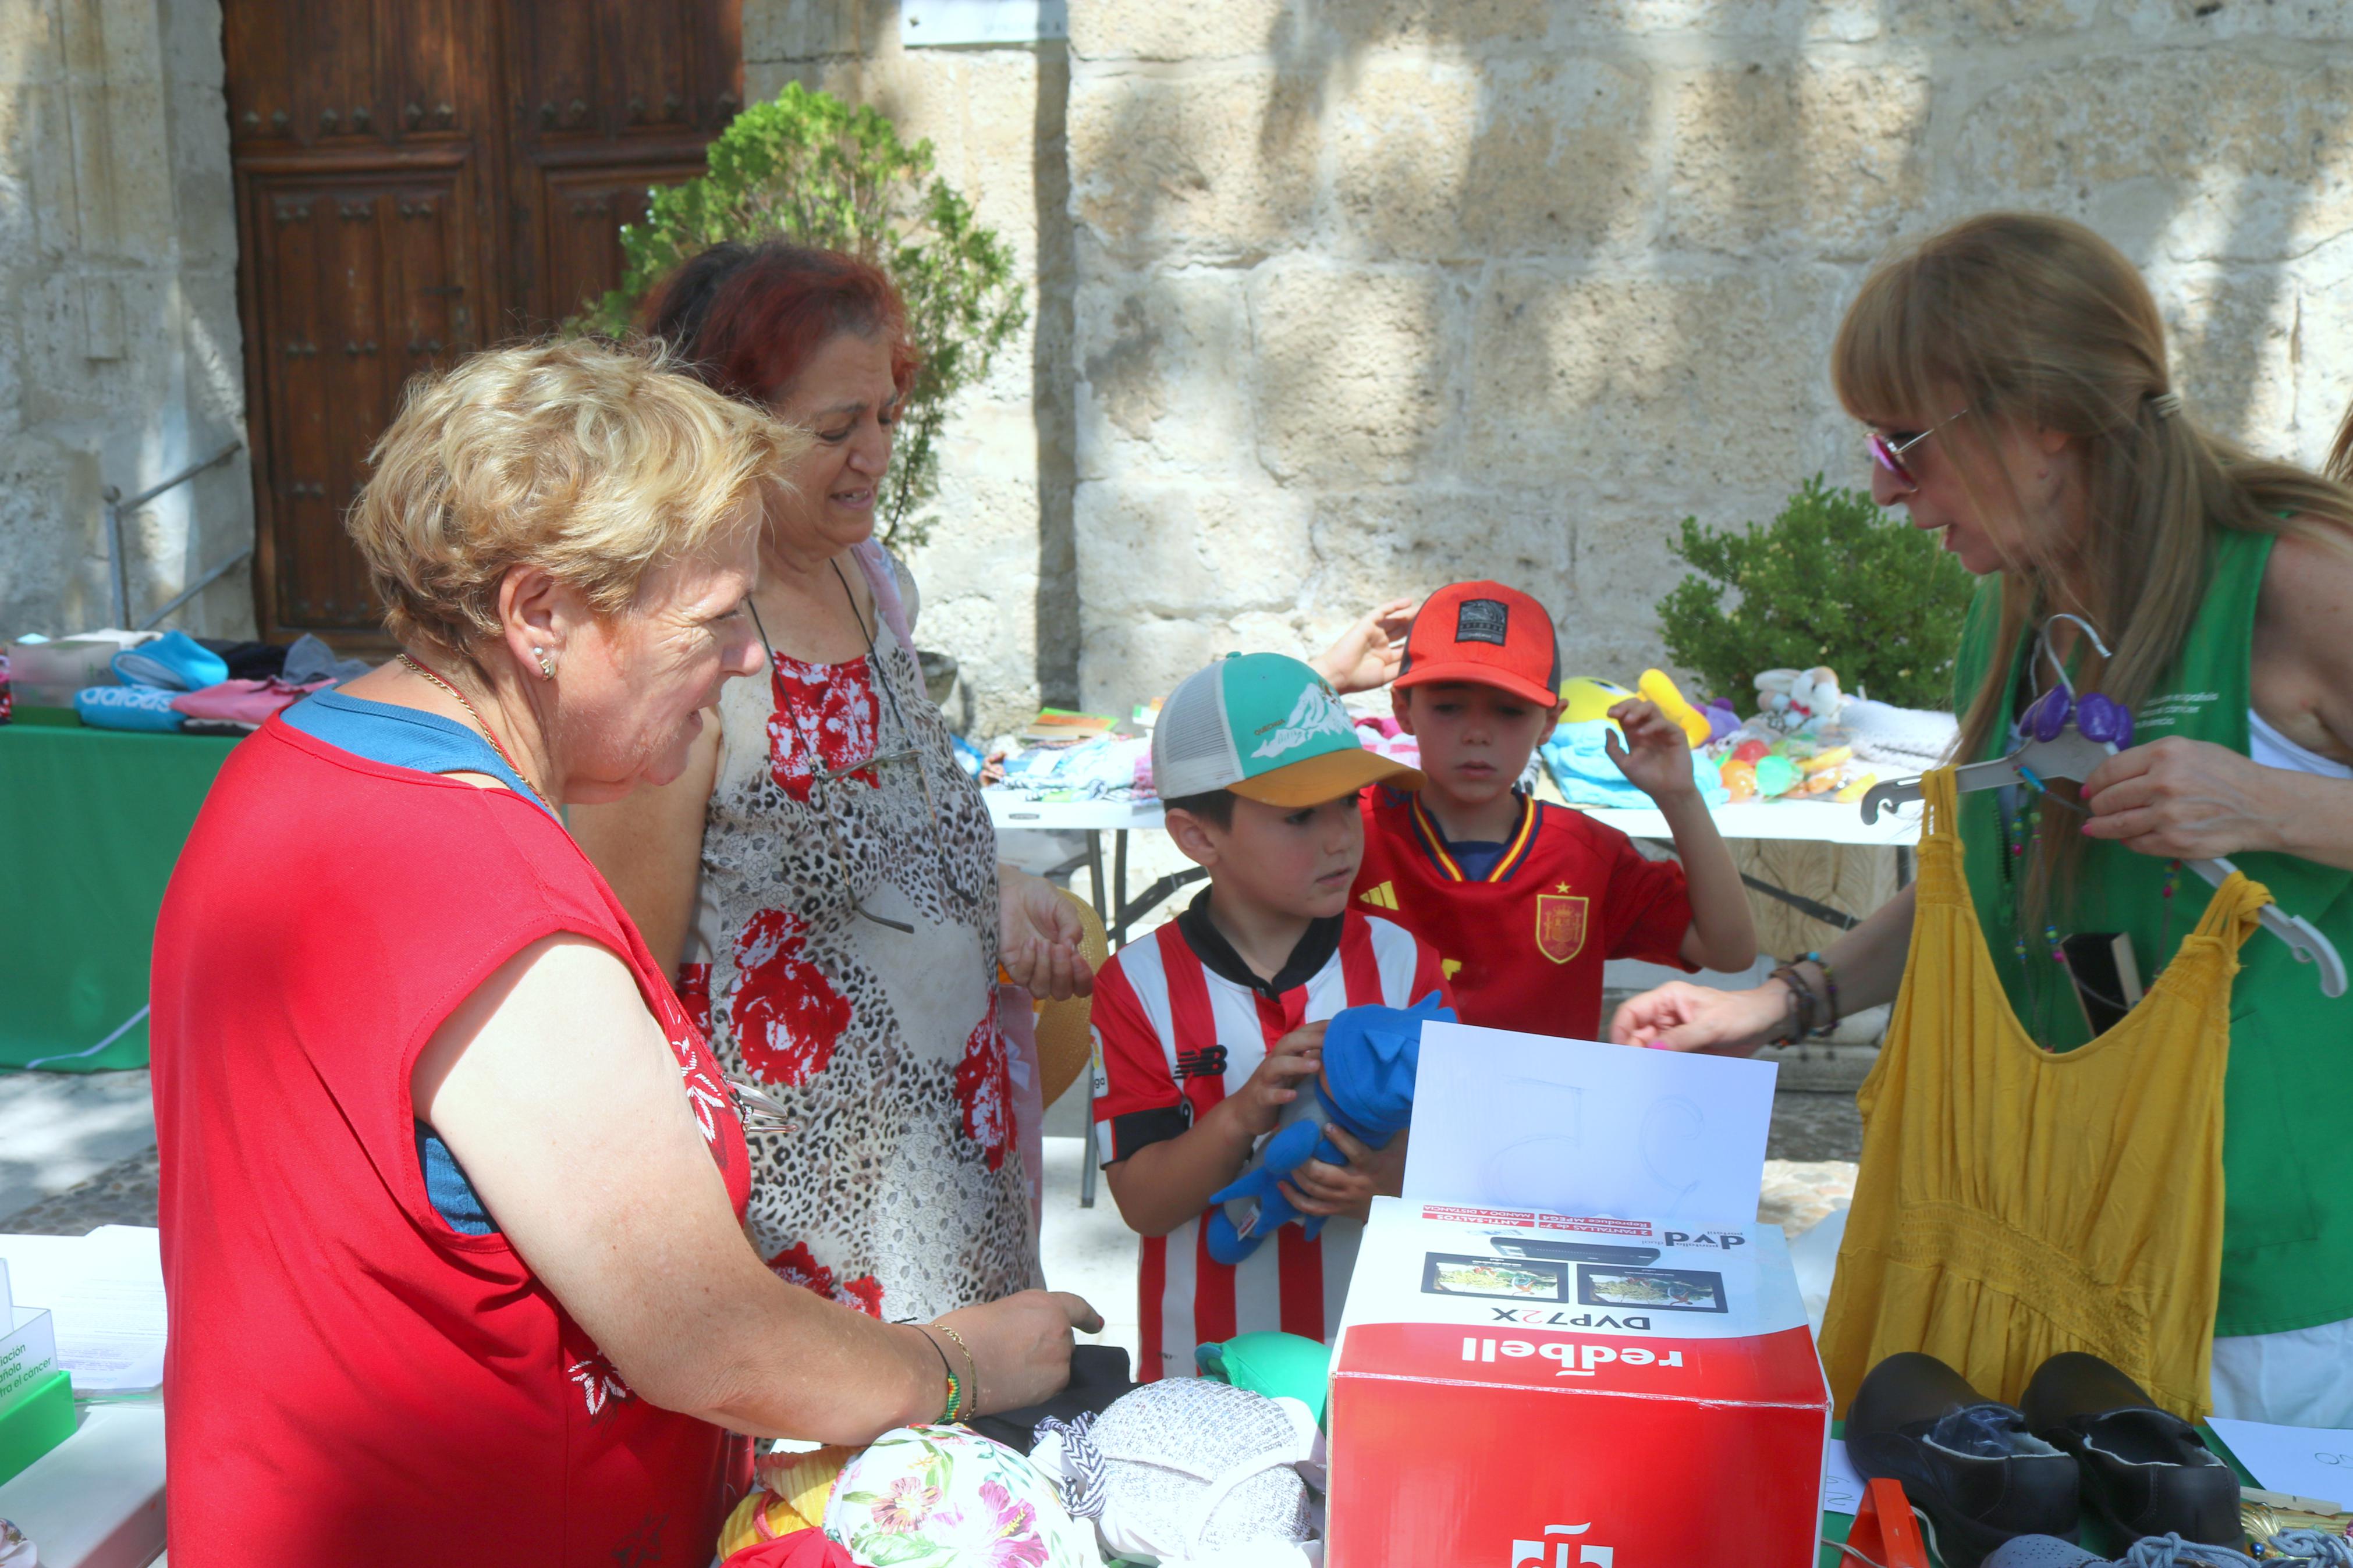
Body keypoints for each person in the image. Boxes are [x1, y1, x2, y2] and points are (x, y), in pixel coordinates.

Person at [150, 339, 1096, 1565]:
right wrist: (957, 1365)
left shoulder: (296, 767)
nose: (747, 657)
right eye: (709, 620)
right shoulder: (475, 884)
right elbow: (708, 1339)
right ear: (539, 614)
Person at [1611, 212, 2353, 1427]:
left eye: (1905, 443)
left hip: (2267, 1283)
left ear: (2042, 418)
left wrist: (2266, 801)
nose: (1880, 487)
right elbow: (1982, 878)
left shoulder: (2292, 579)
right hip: (2059, 1246)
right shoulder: (2013, 606)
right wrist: (1778, 1003)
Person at [570, 244, 1090, 1324]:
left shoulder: (872, 584)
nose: (874, 455)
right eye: (833, 429)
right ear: (727, 426)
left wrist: (991, 891)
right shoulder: (688, 647)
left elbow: (859, 848)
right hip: (805, 1240)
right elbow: (624, 986)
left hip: (956, 1191)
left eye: (888, 417)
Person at [1091, 653, 1454, 1381]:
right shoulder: (1135, 984)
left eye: (1348, 802)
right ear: (1198, 837)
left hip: (1374, 1360)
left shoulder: (1402, 963)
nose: (1338, 837)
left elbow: (1454, 1163)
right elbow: (1142, 1203)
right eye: (1298, 816)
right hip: (1203, 1375)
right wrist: (1240, 1115)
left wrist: (1381, 1183)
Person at [1353, 579, 1756, 1039]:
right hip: (1378, 1110)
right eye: (1449, 707)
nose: (1477, 732)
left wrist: (1680, 797)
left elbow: (1729, 950)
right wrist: (1330, 678)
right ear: (1402, 709)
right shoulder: (1350, 828)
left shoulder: (1588, 855)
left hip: (1537, 1108)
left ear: (1549, 722)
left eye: (1509, 711)